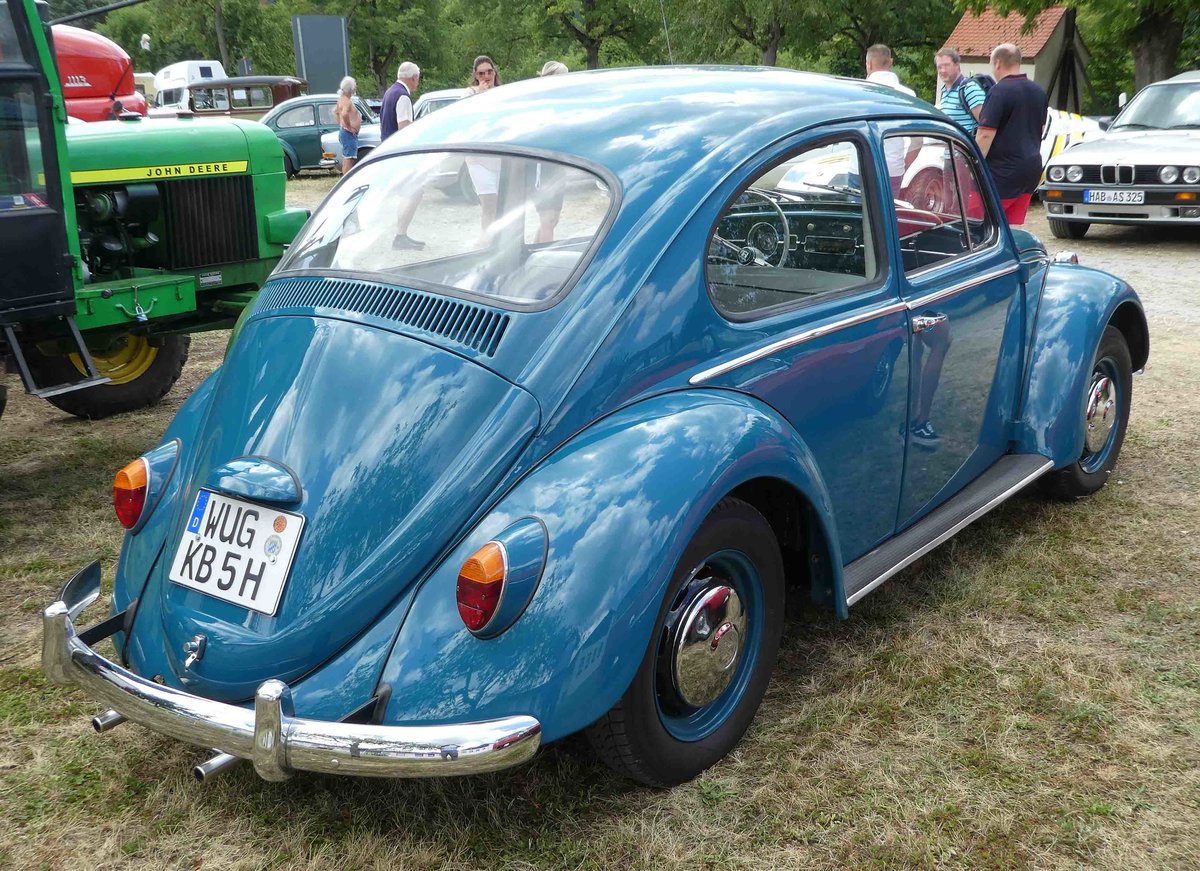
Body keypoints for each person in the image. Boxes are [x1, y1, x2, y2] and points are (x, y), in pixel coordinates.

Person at [975, 43, 1049, 226]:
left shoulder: (999, 92)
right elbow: (1040, 129)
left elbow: (985, 135)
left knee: (984, 227)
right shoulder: (1038, 92)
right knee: (1011, 227)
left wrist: (973, 166)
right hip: (1030, 170)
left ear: (997, 63)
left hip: (1002, 173)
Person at [864, 44, 919, 197]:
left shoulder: (858, 92)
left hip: (860, 166)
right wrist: (903, 165)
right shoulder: (907, 95)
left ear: (869, 64)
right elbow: (917, 141)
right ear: (891, 63)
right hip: (892, 168)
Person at [465, 56, 501, 241]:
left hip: (500, 157)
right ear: (475, 76)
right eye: (481, 73)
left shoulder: (502, 93)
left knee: (502, 206)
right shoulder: (469, 94)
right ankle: (485, 244)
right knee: (489, 205)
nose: (486, 76)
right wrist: (479, 95)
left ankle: (496, 242)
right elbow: (463, 118)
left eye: (489, 72)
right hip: (479, 159)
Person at [535, 61, 569, 242]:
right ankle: (545, 256)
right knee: (547, 219)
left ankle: (531, 253)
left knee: (552, 219)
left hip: (558, 165)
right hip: (542, 166)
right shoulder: (540, 104)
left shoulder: (562, 104)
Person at [935, 48, 986, 136]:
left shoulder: (969, 88)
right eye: (939, 67)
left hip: (967, 144)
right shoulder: (944, 90)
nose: (943, 70)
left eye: (947, 65)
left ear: (957, 65)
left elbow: (986, 126)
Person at [380, 61, 420, 142]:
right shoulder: (403, 96)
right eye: (418, 79)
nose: (418, 82)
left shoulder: (389, 92)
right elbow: (404, 130)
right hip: (397, 146)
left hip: (386, 144)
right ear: (414, 78)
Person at [334, 75, 361, 175]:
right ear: (350, 89)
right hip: (348, 134)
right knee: (349, 159)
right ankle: (346, 178)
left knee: (347, 157)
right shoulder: (347, 101)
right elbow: (344, 113)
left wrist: (341, 124)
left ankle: (345, 177)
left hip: (345, 132)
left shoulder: (341, 99)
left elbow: (336, 112)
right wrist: (349, 127)